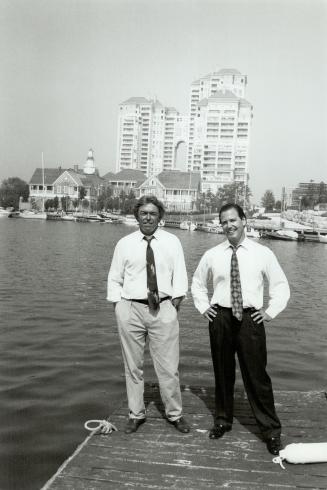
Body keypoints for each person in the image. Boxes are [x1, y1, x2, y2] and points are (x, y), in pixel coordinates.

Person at [191, 203, 290, 455]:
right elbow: (197, 283)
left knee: (257, 377)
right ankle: (223, 421)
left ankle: (270, 431)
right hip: (221, 318)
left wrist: (270, 311)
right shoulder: (213, 254)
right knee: (223, 373)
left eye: (233, 220)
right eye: (224, 222)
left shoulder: (262, 253)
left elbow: (280, 285)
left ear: (244, 221)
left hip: (250, 320)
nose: (229, 225)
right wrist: (204, 307)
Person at [107, 195, 190, 434]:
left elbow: (180, 278)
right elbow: (114, 278)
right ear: (137, 216)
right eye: (144, 213)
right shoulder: (124, 244)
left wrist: (172, 306)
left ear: (160, 217)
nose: (148, 217)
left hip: (163, 308)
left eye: (153, 213)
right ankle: (136, 413)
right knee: (133, 366)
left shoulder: (173, 242)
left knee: (168, 366)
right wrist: (119, 307)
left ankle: (175, 414)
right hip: (130, 308)